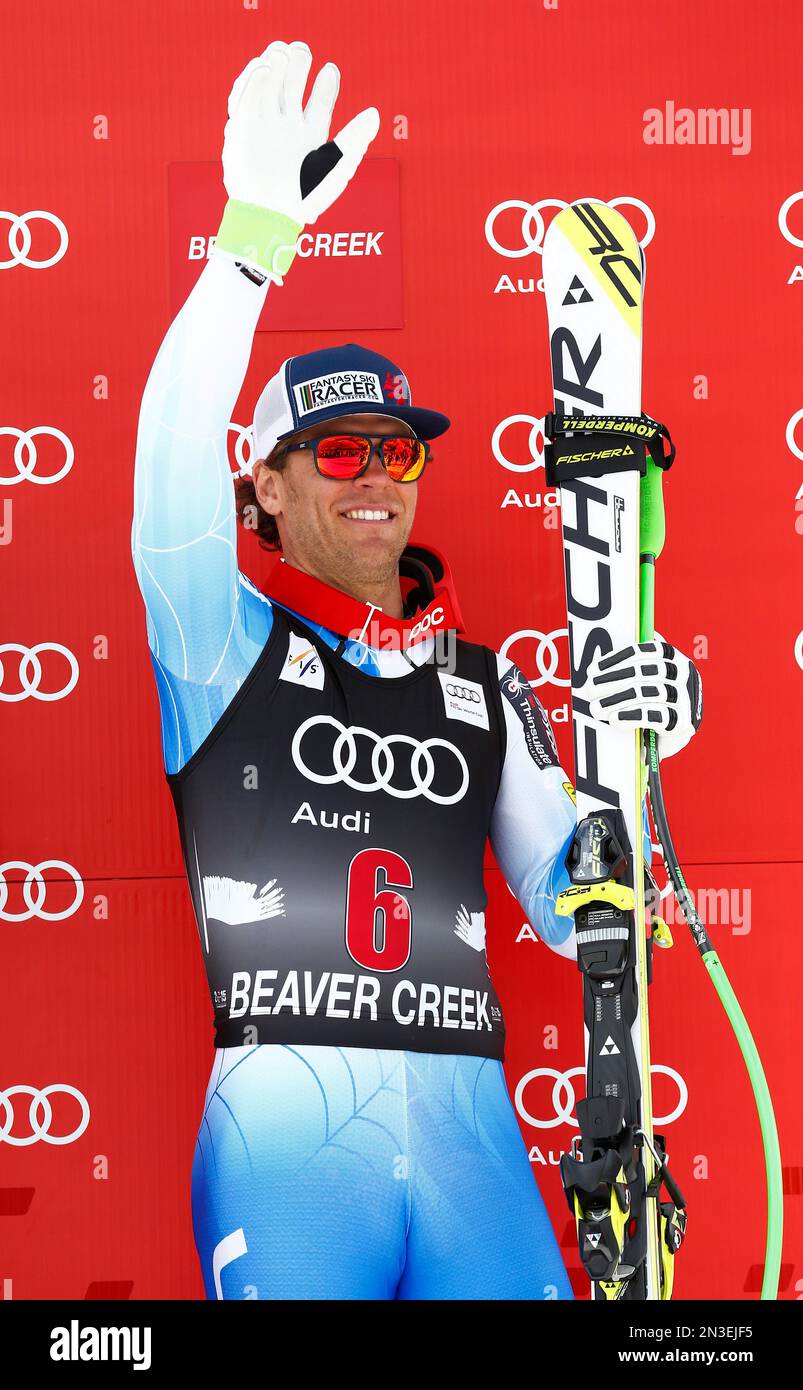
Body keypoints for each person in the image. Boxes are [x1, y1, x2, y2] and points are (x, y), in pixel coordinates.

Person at [132, 39, 703, 1300]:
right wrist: (246, 246)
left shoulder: (484, 687)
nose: (376, 474)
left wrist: (643, 770)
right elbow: (162, 478)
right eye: (335, 452)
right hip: (287, 1147)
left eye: (397, 451)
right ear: (264, 490)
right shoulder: (218, 644)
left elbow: (585, 916)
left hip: (472, 1148)